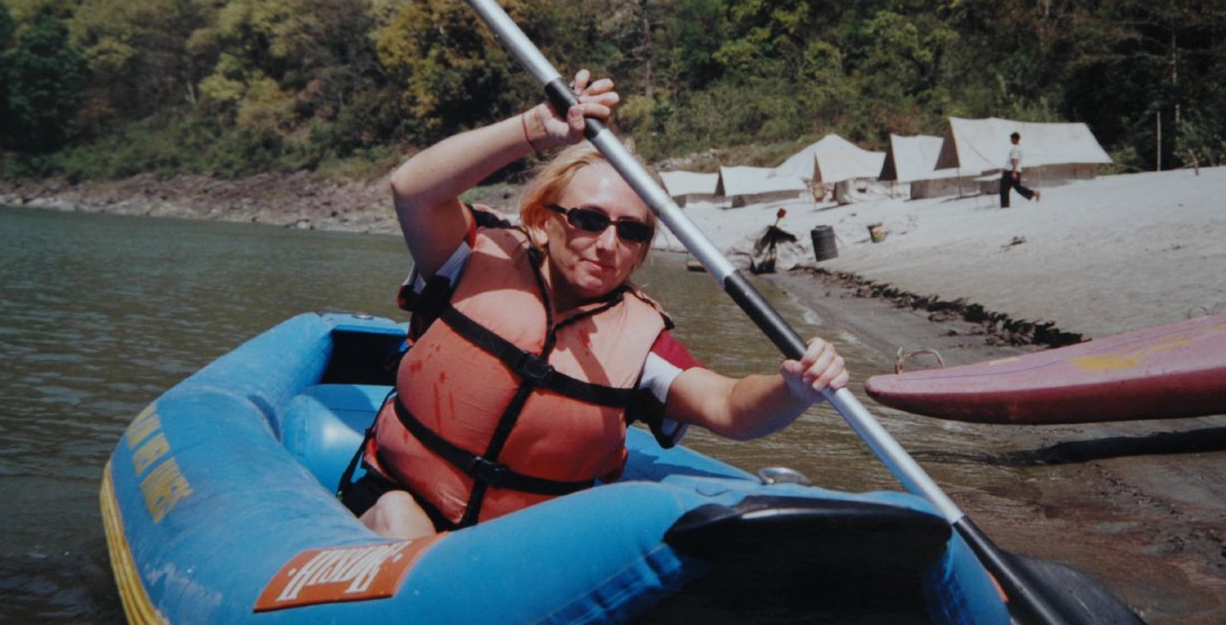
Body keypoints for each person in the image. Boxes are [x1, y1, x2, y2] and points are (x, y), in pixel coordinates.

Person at [343, 70, 850, 540]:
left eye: (630, 231)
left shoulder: (640, 343)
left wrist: (794, 388)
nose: (609, 244)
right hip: (403, 502)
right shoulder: (467, 260)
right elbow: (412, 189)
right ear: (543, 222)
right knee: (400, 518)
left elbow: (729, 407)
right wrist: (533, 128)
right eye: (588, 219)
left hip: (518, 547)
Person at [999, 131, 1041, 208]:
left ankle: (1005, 205)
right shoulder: (1020, 148)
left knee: (1004, 188)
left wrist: (1013, 172)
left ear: (1015, 139)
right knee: (1017, 187)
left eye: (1011, 139)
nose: (1010, 140)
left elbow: (1015, 160)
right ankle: (1034, 193)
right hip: (1016, 170)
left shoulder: (1015, 148)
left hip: (1011, 171)